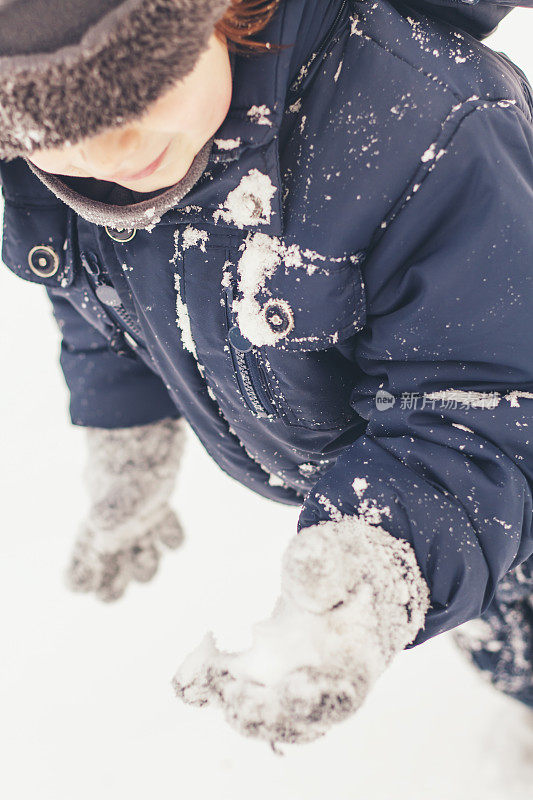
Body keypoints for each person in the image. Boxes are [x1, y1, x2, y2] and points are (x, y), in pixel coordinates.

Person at [0, 0, 532, 748]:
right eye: (52, 138)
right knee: (501, 640)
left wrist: (376, 569)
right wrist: (126, 444)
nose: (110, 154)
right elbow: (101, 300)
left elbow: (483, 402)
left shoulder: (420, 124)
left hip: (494, 463)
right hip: (454, 510)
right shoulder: (77, 179)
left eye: (142, 91)